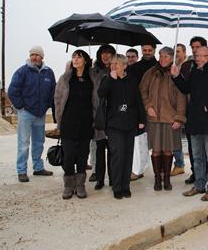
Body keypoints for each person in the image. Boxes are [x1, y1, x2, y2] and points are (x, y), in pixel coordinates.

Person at [171, 46, 208, 201]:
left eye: (200, 56)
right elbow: (185, 89)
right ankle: (199, 185)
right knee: (196, 157)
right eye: (196, 56)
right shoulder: (194, 72)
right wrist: (176, 77)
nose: (197, 59)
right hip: (194, 121)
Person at [98, 54, 146, 199]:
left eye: (116, 64)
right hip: (114, 124)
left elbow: (138, 100)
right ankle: (117, 186)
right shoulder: (108, 80)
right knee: (117, 154)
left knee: (128, 154)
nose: (113, 66)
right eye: (112, 64)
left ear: (125, 66)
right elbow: (101, 94)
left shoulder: (132, 80)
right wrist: (110, 79)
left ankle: (126, 186)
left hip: (130, 122)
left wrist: (142, 119)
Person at [140, 47, 187, 191]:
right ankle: (157, 178)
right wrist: (148, 106)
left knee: (168, 150)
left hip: (170, 118)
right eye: (161, 56)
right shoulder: (150, 73)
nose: (162, 59)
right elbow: (143, 90)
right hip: (153, 118)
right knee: (156, 150)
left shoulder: (175, 73)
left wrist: (179, 118)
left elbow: (181, 97)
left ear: (172, 58)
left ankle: (166, 178)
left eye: (166, 56)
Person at [8, 46, 56, 183]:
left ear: (42, 57)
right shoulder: (22, 71)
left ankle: (38, 168)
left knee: (39, 142)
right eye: (32, 55)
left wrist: (47, 106)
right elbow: (12, 91)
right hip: (26, 114)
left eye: (37, 55)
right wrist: (21, 107)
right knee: (23, 143)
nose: (34, 57)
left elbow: (53, 92)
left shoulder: (48, 73)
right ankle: (22, 171)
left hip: (40, 114)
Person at [54, 50, 96, 199]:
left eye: (79, 57)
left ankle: (80, 185)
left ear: (85, 60)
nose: (76, 59)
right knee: (69, 155)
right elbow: (57, 99)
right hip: (68, 123)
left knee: (82, 155)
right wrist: (58, 120)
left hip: (86, 123)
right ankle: (68, 185)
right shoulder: (65, 78)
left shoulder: (92, 78)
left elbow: (96, 100)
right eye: (74, 57)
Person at [178, 36, 208, 184]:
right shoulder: (187, 66)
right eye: (192, 47)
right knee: (193, 147)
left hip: (206, 114)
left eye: (197, 47)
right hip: (191, 113)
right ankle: (196, 173)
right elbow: (185, 88)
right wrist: (175, 76)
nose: (194, 50)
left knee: (207, 149)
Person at [127, 44, 158, 181]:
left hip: (157, 109)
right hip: (138, 108)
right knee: (138, 141)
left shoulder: (161, 66)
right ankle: (138, 170)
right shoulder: (133, 68)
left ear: (154, 51)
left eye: (149, 50)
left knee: (158, 142)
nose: (147, 53)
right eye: (144, 50)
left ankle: (161, 171)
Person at [89, 44, 116, 186]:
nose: (106, 56)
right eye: (103, 53)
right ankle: (99, 179)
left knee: (112, 150)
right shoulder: (93, 71)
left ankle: (113, 178)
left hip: (112, 115)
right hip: (97, 114)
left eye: (109, 53)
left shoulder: (117, 70)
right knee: (99, 149)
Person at [171, 43, 189, 177]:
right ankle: (179, 163)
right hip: (176, 106)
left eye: (178, 51)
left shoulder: (190, 65)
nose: (176, 54)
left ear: (184, 52)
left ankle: (181, 164)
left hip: (188, 105)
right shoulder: (174, 66)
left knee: (191, 139)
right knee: (175, 137)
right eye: (174, 52)